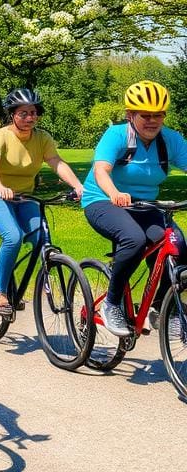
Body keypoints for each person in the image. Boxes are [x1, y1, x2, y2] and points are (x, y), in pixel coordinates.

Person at [82, 80, 187, 337]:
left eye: (158, 115)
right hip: (103, 200)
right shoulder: (117, 135)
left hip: (145, 206)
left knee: (178, 246)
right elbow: (101, 170)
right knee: (134, 239)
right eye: (145, 115)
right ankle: (112, 304)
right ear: (131, 115)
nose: (152, 121)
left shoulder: (170, 140)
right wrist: (115, 193)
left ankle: (161, 306)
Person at [0, 89, 84, 320]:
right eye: (24, 113)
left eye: (34, 113)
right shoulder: (0, 136)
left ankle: (21, 283)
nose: (30, 118)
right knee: (13, 237)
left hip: (25, 198)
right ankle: (0, 292)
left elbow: (56, 162)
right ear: (12, 114)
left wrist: (78, 186)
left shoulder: (42, 138)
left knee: (42, 241)